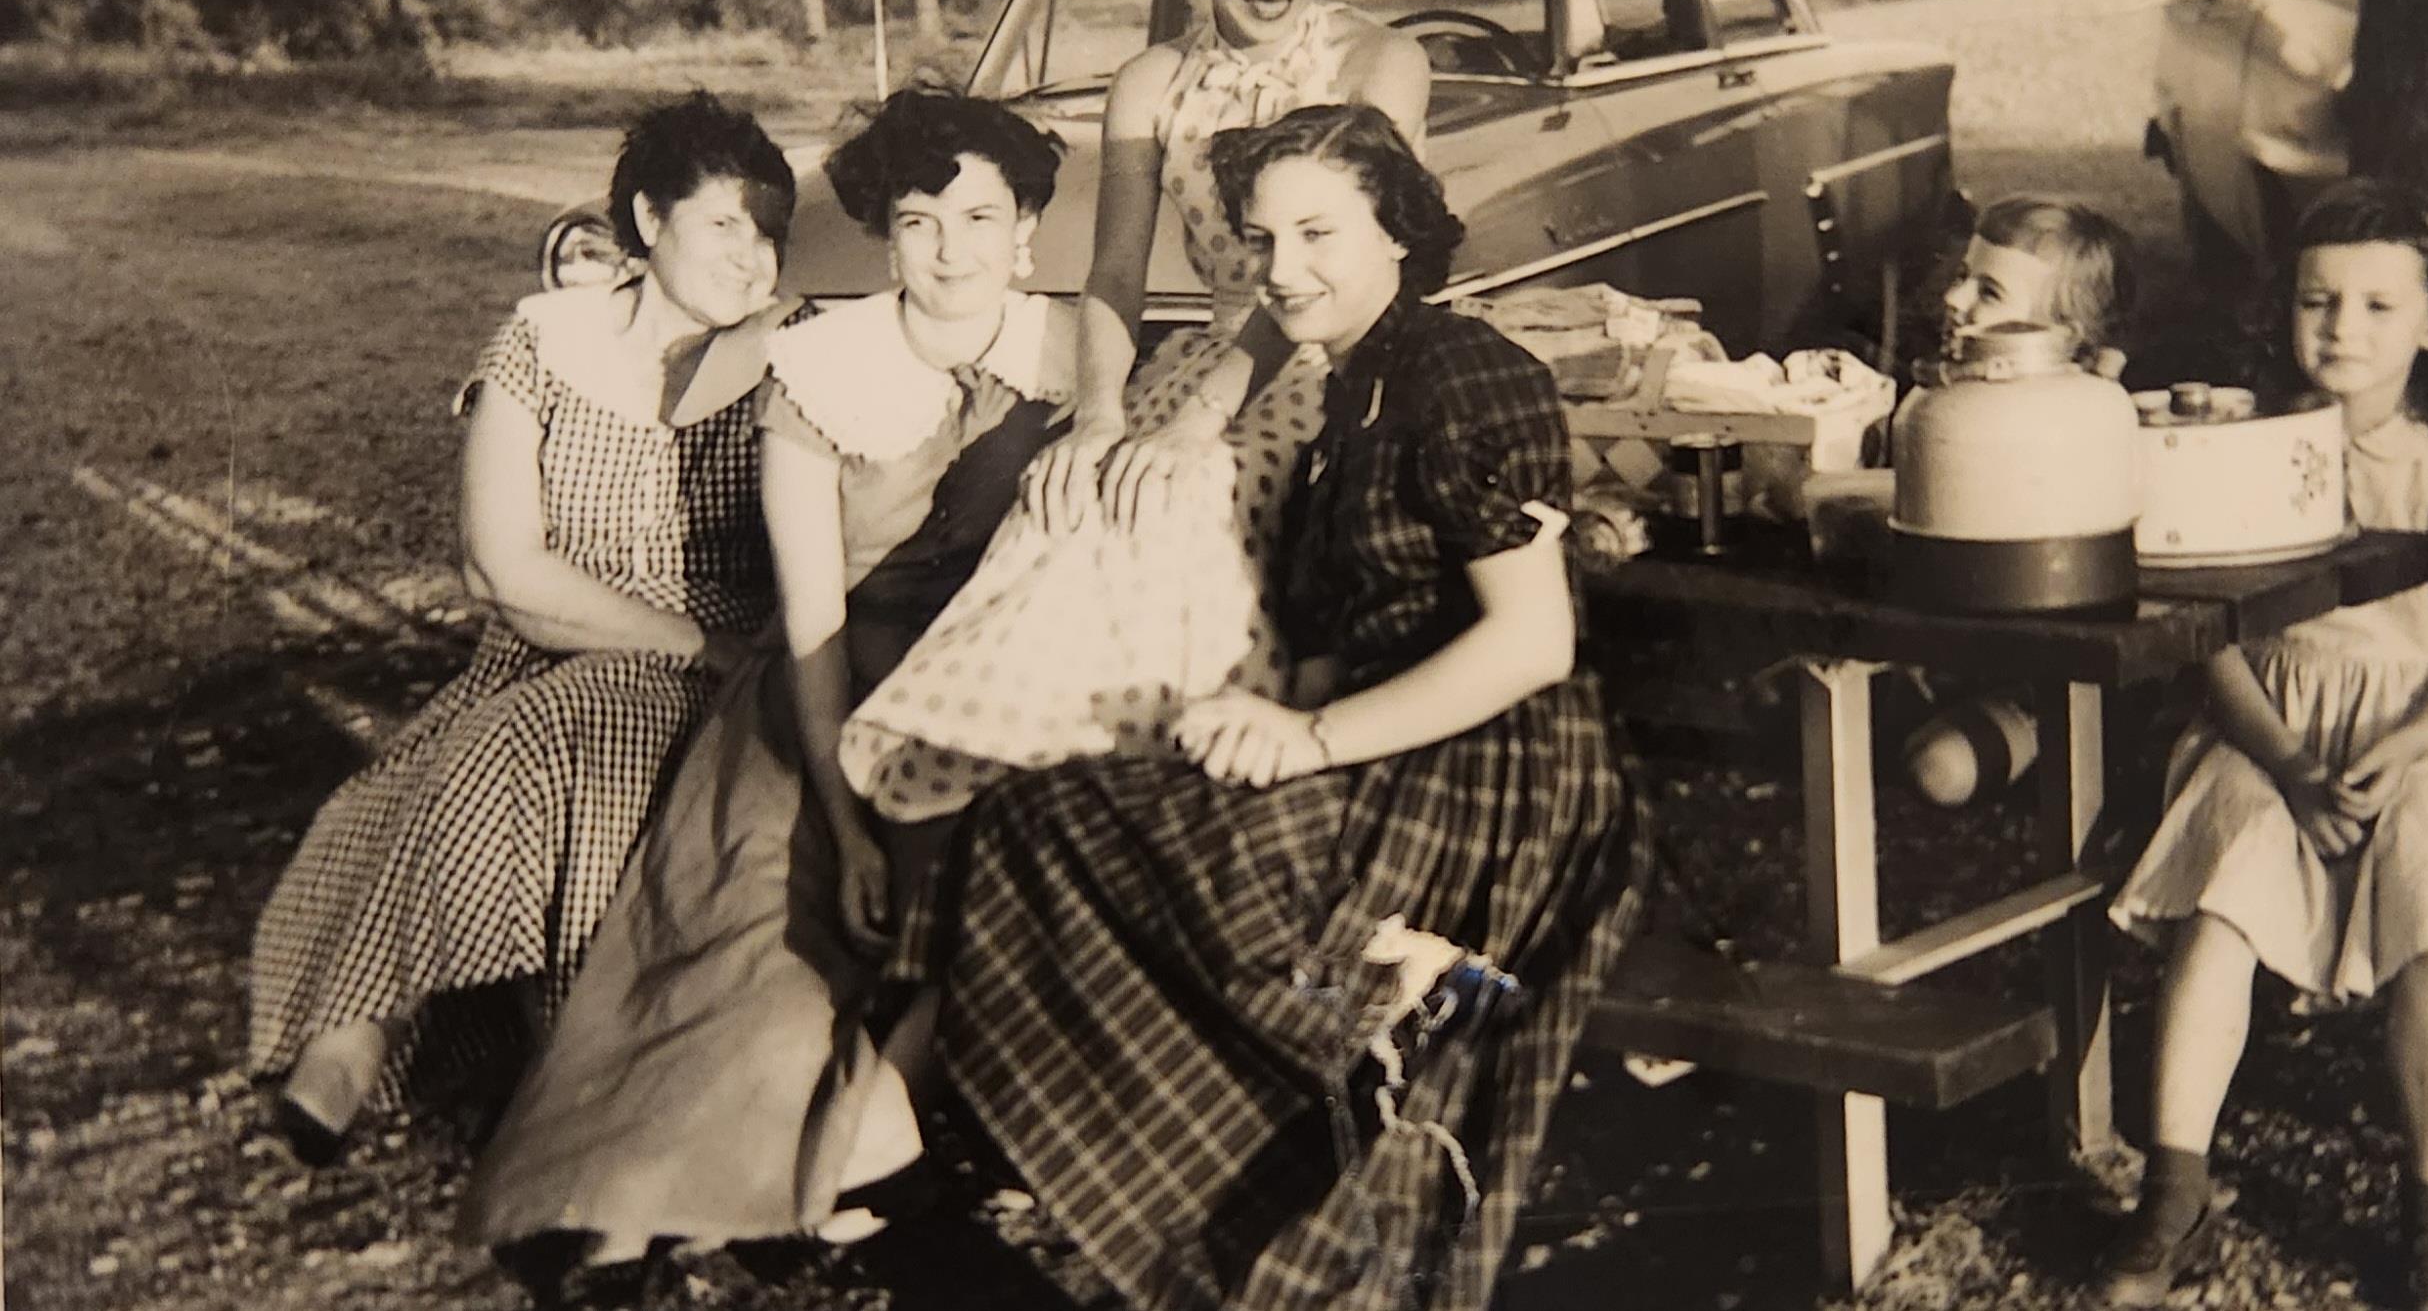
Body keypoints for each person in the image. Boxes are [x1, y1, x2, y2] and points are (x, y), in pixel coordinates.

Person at [910, 104, 1652, 1311]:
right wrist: (1252, 721)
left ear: (1399, 232)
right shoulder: (1342, 394)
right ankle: (1182, 1193)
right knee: (1046, 821)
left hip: (1502, 774)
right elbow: (1343, 625)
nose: (1283, 270)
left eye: (1319, 233)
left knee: (1254, 903)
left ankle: (1325, 1187)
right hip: (1381, 745)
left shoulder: (1461, 374)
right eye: (1260, 241)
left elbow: (1533, 642)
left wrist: (1307, 738)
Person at [459, 88, 1075, 1269]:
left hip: (997, 687)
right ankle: (627, 1196)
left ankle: (843, 1153)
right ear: (884, 239)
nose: (952, 252)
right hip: (824, 689)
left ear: (1025, 233)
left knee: (976, 895)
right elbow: (812, 617)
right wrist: (842, 822)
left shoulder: (1075, 342)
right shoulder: (816, 372)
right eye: (919, 221)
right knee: (763, 927)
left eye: (982, 220)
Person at [838, 0, 1431, 794]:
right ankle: (999, 763)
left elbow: (1349, 278)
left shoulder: (1378, 62)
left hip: (1336, 367)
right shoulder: (1151, 81)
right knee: (1066, 492)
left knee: (1178, 497)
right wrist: (1101, 414)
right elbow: (1113, 274)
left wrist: (1200, 421)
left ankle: (1151, 772)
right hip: (1201, 363)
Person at [247, 91, 794, 1161]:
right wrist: (691, 640)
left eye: (770, 231)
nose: (752, 254)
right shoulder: (544, 339)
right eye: (727, 222)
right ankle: (566, 1091)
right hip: (542, 654)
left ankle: (366, 1036)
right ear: (647, 220)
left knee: (522, 746)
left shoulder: (787, 353)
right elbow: (499, 566)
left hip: (710, 679)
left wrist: (715, 652)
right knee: (424, 775)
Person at [2097, 178, 2428, 1311]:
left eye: (2380, 306)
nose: (2341, 328)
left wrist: (2399, 748)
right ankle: (2174, 1193)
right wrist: (2285, 761)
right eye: (2318, 299)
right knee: (2223, 895)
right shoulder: (2237, 447)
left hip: (2426, 723)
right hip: (2268, 718)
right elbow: (2205, 635)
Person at [1900, 194, 2137, 807]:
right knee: (1775, 702)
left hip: (2050, 674)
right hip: (1944, 645)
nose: (1954, 301)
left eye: (1989, 292)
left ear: (2066, 335)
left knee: (1941, 768)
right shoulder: (1943, 397)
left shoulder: (2081, 418)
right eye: (1961, 278)